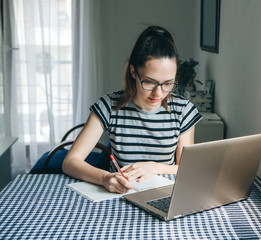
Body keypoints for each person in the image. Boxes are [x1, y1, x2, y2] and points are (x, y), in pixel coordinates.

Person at [62, 25, 202, 194]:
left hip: (165, 194)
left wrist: (154, 167)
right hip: (119, 195)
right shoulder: (109, 106)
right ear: (133, 72)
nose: (158, 93)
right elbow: (70, 162)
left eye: (168, 83)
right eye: (149, 82)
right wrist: (105, 178)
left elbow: (186, 168)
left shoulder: (183, 111)